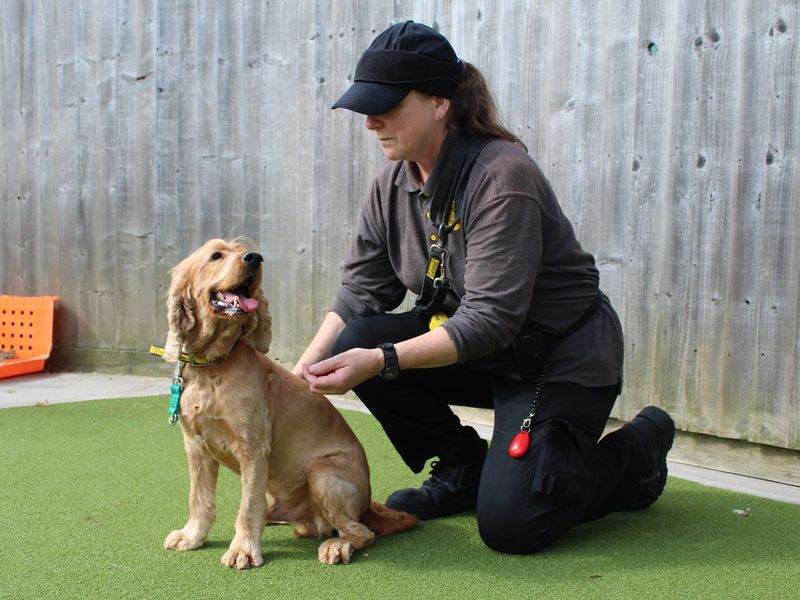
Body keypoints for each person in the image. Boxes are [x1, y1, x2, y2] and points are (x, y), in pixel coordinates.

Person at [292, 20, 675, 554]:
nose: (369, 121)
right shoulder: (392, 182)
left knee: (514, 524)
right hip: (479, 351)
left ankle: (637, 453)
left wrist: (382, 360)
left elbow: (491, 318)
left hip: (558, 360)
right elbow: (361, 290)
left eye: (386, 104)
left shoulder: (503, 177)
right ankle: (463, 469)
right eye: (364, 105)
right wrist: (297, 378)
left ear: (439, 102)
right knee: (352, 339)